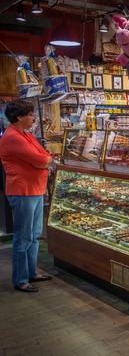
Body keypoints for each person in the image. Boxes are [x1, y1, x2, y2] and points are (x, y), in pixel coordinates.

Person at [0, 101, 54, 293]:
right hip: (23, 191)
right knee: (23, 237)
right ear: (20, 117)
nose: (33, 117)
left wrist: (44, 161)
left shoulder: (26, 134)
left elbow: (45, 155)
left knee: (34, 234)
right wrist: (44, 162)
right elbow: (41, 160)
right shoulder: (12, 137)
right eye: (30, 114)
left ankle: (31, 271)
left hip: (35, 190)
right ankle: (20, 279)